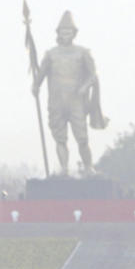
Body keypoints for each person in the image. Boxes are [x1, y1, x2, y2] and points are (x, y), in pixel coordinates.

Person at [32, 10, 107, 177]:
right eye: (63, 32)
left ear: (74, 33)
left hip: (76, 101)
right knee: (60, 138)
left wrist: (85, 86)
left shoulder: (82, 52)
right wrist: (35, 85)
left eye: (69, 32)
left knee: (82, 138)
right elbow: (41, 74)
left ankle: (89, 167)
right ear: (58, 33)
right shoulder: (51, 54)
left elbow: (93, 74)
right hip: (56, 102)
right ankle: (64, 168)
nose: (66, 34)